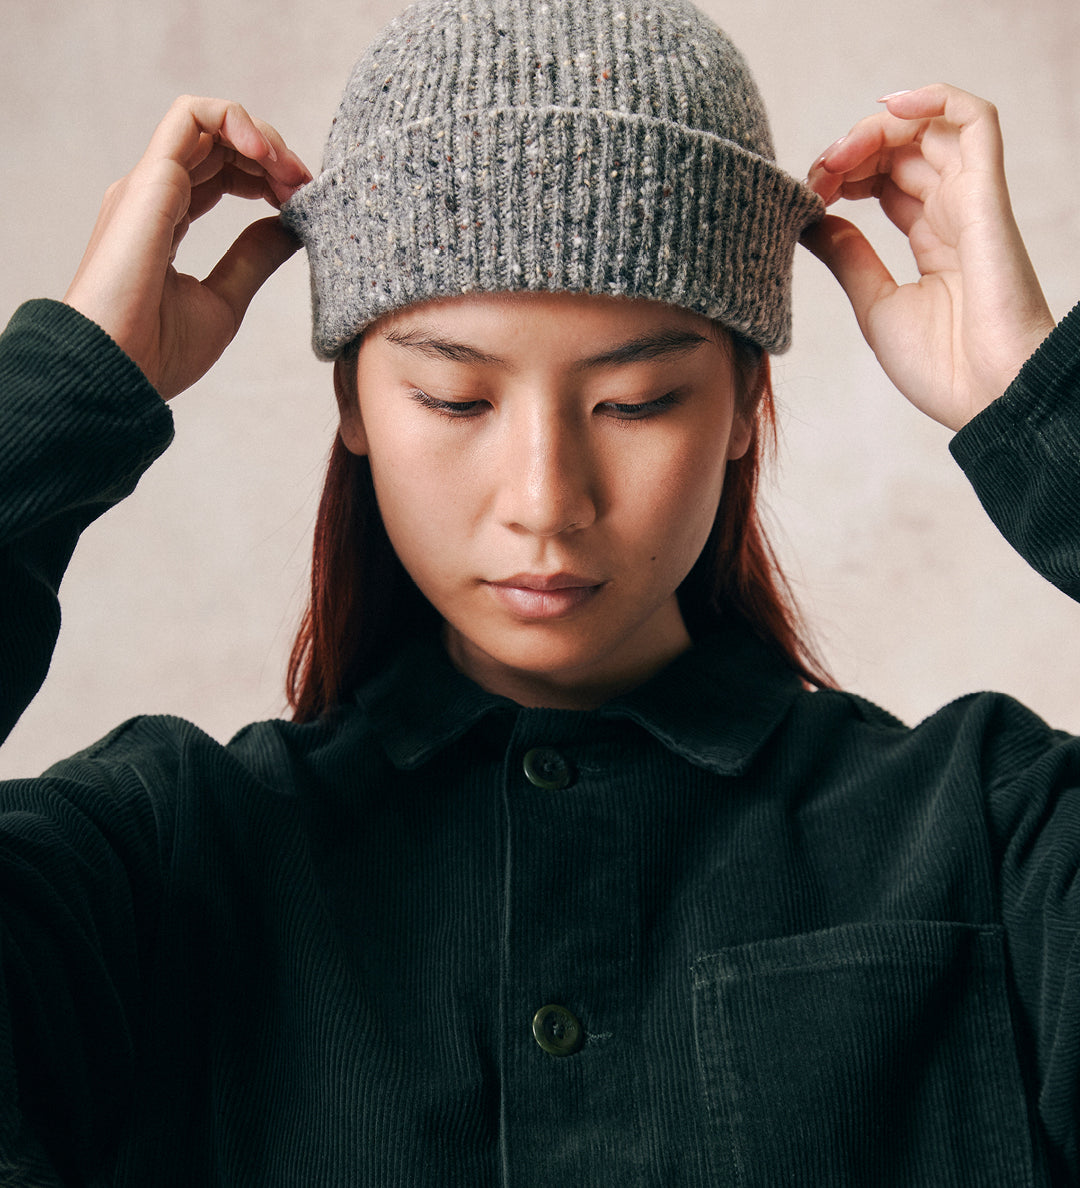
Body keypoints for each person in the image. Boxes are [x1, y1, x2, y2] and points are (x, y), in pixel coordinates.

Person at [0, 0, 1075, 1182]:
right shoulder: (151, 871)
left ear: (743, 407)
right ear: (354, 406)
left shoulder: (992, 838)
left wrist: (1035, 410)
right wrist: (67, 391)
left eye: (638, 402)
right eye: (457, 402)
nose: (545, 499)